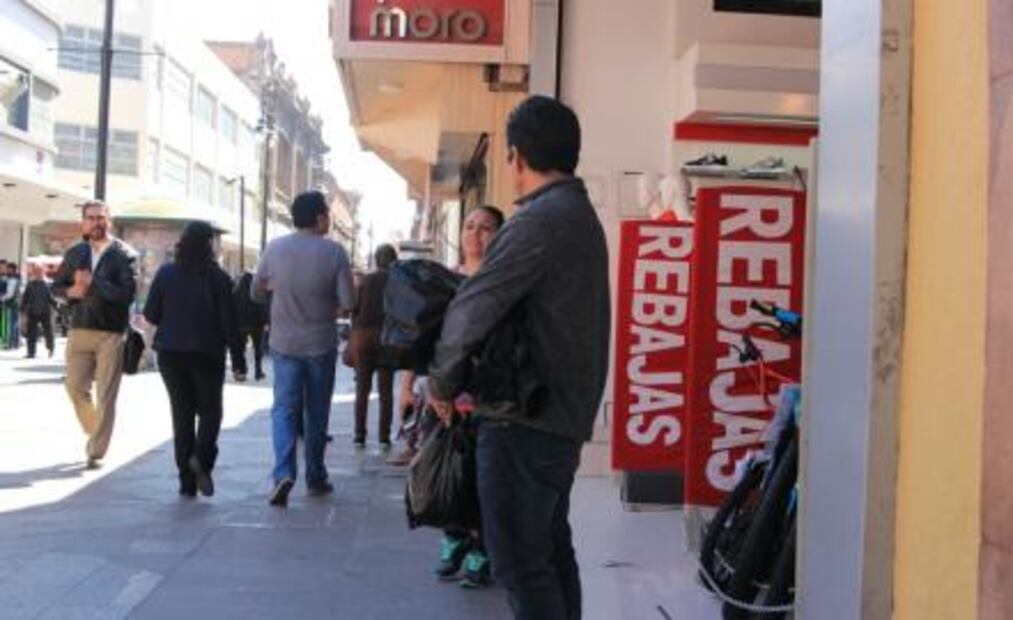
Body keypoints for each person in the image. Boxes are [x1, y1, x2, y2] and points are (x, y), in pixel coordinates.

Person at [428, 96, 610, 620]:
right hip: (560, 415)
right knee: (549, 552)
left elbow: (471, 309)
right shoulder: (578, 215)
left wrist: (440, 383)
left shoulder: (538, 221)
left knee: (520, 563)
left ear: (516, 157)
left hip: (525, 420)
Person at [252, 191, 354, 507]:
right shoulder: (334, 252)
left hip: (283, 343)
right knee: (316, 411)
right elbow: (350, 302)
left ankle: (283, 472)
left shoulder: (275, 248)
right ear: (320, 217)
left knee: (284, 408)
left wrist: (278, 292)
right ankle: (315, 476)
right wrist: (331, 309)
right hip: (320, 344)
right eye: (327, 215)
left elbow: (256, 291)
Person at [143, 221, 242, 498]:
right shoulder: (219, 279)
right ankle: (201, 458)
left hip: (171, 354)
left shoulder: (166, 274)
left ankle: (186, 482)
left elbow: (151, 314)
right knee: (211, 412)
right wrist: (239, 361)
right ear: (209, 245)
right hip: (207, 354)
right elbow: (229, 324)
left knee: (182, 414)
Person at [52, 201, 138, 469]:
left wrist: (93, 284)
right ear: (83, 222)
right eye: (90, 218)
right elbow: (56, 287)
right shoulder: (75, 252)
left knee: (106, 395)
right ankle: (97, 428)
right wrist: (69, 293)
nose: (95, 222)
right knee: (74, 386)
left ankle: (96, 450)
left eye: (101, 217)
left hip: (110, 333)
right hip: (78, 328)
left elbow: (126, 294)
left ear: (109, 221)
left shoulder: (124, 254)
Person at [350, 244, 398, 449]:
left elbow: (353, 308)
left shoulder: (365, 281)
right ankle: (384, 437)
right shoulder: (398, 282)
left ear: (376, 260)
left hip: (364, 337)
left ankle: (359, 435)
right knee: (385, 391)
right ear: (393, 260)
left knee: (362, 389)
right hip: (387, 338)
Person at [233, 270, 268, 382]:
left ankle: (242, 370)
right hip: (256, 325)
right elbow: (262, 308)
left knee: (241, 349)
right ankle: (258, 371)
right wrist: (265, 321)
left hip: (241, 325)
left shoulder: (236, 294)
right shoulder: (256, 293)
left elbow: (232, 309)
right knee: (258, 349)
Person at [20, 263, 57, 358]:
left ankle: (51, 348)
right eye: (36, 271)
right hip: (33, 311)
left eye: (40, 271)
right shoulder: (30, 284)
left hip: (46, 312)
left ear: (43, 272)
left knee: (48, 332)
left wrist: (57, 307)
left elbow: (53, 298)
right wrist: (23, 311)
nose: (38, 273)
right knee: (31, 333)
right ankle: (31, 352)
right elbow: (25, 298)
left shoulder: (49, 284)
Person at [2, 261, 22, 350]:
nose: (6, 270)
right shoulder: (18, 278)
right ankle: (16, 343)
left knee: (11, 324)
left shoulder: (12, 279)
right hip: (17, 303)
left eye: (8, 269)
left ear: (12, 269)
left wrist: (2, 298)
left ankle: (10, 343)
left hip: (11, 303)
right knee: (15, 323)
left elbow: (9, 294)